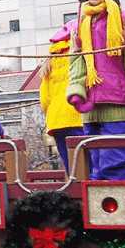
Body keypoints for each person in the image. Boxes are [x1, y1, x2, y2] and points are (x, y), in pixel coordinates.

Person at [66, 0, 125, 181]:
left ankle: (121, 205)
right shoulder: (79, 24)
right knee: (95, 171)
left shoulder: (124, 20)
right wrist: (76, 90)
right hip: (91, 107)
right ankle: (101, 206)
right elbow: (76, 63)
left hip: (118, 104)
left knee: (114, 168)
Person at [39, 19, 84, 173]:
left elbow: (44, 100)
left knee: (71, 168)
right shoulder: (82, 54)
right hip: (78, 116)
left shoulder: (49, 61)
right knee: (87, 165)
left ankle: (73, 185)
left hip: (56, 121)